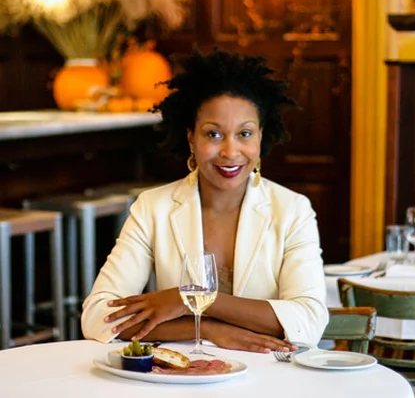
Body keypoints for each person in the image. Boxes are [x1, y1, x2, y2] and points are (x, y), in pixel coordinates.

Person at [81, 49, 328, 353]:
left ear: (260, 137)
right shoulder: (153, 208)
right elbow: (98, 317)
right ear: (191, 139)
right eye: (213, 134)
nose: (230, 152)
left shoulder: (292, 210)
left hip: (267, 373)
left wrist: (194, 299)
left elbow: (309, 322)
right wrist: (209, 330)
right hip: (183, 374)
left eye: (244, 134)